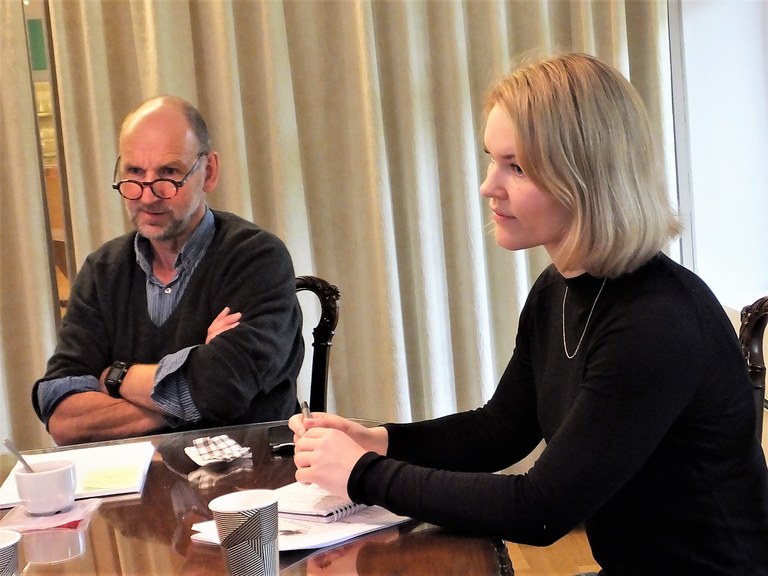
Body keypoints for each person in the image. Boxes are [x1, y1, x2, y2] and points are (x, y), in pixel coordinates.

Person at [289, 53, 768, 575]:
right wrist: (381, 439)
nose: (488, 186)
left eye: (516, 166)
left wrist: (364, 474)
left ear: (585, 177)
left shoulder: (657, 322)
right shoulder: (557, 287)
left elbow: (542, 509)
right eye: (492, 159)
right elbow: (502, 429)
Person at [33, 96, 304, 445]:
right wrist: (193, 388)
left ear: (208, 172)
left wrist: (115, 378)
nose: (148, 196)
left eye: (169, 173)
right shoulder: (103, 271)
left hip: (250, 479)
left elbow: (222, 386)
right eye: (133, 173)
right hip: (132, 483)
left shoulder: (256, 258)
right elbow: (63, 418)